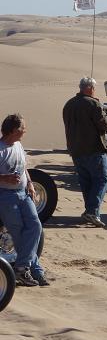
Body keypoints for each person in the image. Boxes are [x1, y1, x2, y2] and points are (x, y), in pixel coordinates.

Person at [0, 114, 49, 286]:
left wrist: (29, 183)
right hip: (5, 196)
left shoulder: (18, 145)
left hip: (24, 193)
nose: (25, 131)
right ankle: (34, 271)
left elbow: (23, 167)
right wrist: (4, 178)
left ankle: (22, 268)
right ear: (14, 130)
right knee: (19, 232)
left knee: (35, 226)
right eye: (23, 128)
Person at [62, 77, 107, 228]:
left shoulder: (69, 104)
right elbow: (104, 124)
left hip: (76, 150)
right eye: (94, 88)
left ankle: (90, 211)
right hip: (94, 149)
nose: (94, 91)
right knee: (102, 178)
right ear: (90, 88)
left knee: (86, 182)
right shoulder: (93, 104)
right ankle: (92, 211)